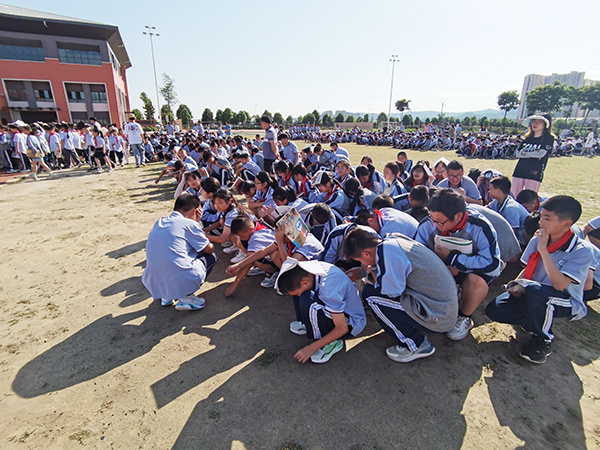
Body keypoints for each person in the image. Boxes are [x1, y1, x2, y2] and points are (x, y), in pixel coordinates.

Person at [486, 196, 592, 364]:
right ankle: (533, 320)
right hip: (534, 293)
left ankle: (543, 339)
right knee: (495, 310)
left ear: (566, 223)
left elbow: (560, 285)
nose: (541, 222)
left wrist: (544, 250)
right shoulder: (538, 240)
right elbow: (527, 269)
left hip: (564, 299)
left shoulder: (582, 250)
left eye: (547, 218)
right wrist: (515, 284)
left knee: (538, 292)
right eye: (541, 216)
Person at [343, 229, 458, 362]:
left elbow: (389, 292)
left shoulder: (388, 253)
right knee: (373, 289)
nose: (362, 264)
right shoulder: (392, 239)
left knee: (371, 296)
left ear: (366, 253)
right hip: (444, 306)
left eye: (360, 260)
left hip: (440, 316)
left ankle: (416, 345)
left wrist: (371, 270)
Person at [416, 189, 502, 340]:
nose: (435, 224)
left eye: (440, 222)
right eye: (432, 218)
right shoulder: (428, 224)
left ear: (458, 216)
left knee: (475, 282)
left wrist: (454, 260)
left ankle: (464, 316)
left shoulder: (480, 226)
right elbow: (417, 254)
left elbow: (492, 263)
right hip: (440, 267)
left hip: (471, 270)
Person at [275, 258, 367, 364]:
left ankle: (332, 343)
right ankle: (309, 323)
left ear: (304, 282)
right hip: (335, 309)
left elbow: (342, 328)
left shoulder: (328, 289)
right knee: (299, 293)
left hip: (350, 324)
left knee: (305, 298)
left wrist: (311, 348)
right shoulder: (310, 270)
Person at [141, 193, 217, 311]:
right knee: (211, 256)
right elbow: (209, 248)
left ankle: (167, 296)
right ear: (195, 211)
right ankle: (186, 297)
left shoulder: (160, 222)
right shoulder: (189, 224)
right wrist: (197, 223)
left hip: (154, 281)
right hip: (180, 276)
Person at [511, 113, 555, 197]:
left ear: (545, 125)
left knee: (529, 197)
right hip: (519, 170)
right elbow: (517, 154)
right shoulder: (527, 138)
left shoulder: (548, 138)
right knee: (514, 195)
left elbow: (541, 154)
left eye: (539, 122)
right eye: (534, 121)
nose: (535, 124)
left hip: (534, 171)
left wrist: (525, 153)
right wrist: (532, 153)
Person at [487, 176, 529, 247]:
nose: (488, 191)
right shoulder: (497, 201)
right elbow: (486, 209)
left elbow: (510, 233)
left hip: (521, 243)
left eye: (490, 188)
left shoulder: (511, 209)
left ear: (498, 191)